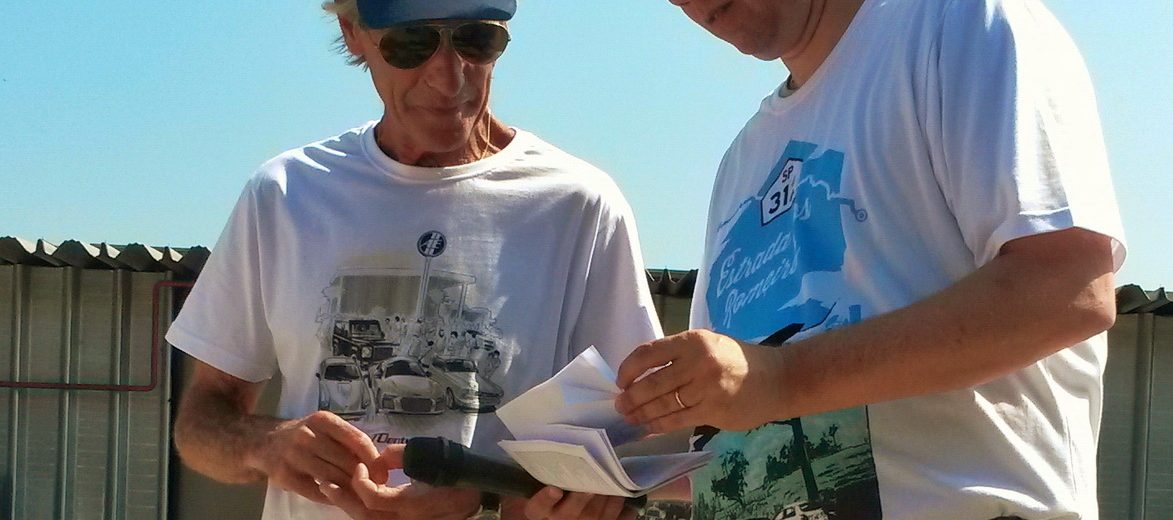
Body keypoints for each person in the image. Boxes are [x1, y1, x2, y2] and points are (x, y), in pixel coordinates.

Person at [614, 1, 1125, 519]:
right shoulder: (743, 159)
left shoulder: (962, 22)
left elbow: (1068, 289)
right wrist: (615, 477)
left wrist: (782, 378)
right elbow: (738, 433)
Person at [167, 1, 661, 519]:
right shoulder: (286, 194)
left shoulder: (579, 205)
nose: (449, 79)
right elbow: (201, 422)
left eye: (477, 40)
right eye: (411, 44)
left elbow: (619, 446)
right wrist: (267, 444)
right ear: (353, 32)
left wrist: (488, 499)